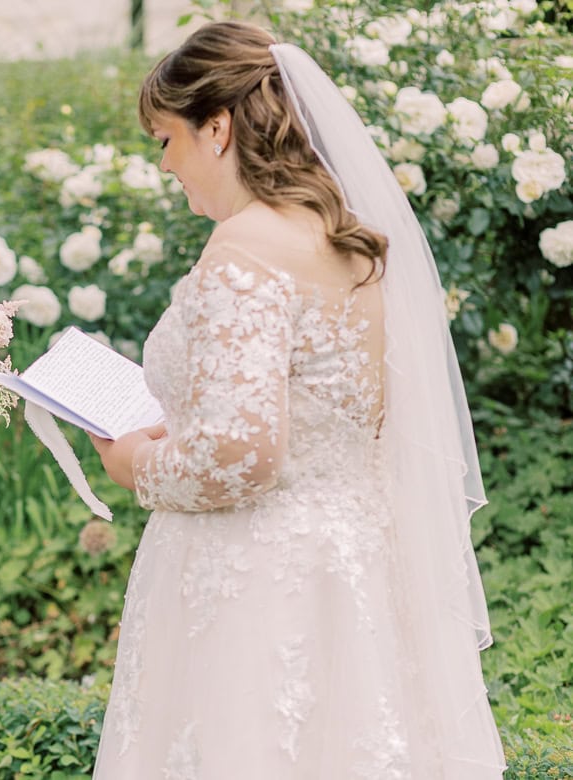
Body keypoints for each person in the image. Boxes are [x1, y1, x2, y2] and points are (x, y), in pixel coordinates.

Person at [88, 21, 505, 778]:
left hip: (253, 577)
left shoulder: (244, 248)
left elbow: (242, 454)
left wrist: (132, 463)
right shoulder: (340, 239)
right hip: (351, 566)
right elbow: (340, 418)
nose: (165, 164)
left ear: (217, 128)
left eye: (166, 139)